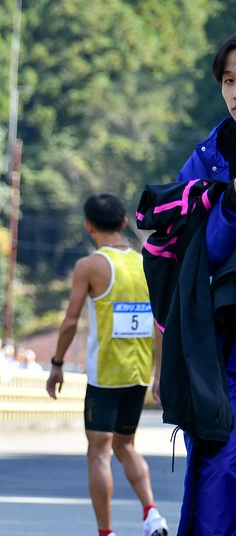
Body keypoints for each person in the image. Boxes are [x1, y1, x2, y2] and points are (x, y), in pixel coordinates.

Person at [145, 33, 236, 536]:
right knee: (219, 466)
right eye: (228, 81)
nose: (235, 92)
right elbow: (190, 256)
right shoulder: (209, 159)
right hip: (216, 349)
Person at [47, 193, 167, 536]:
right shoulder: (145, 263)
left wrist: (56, 364)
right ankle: (152, 513)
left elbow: (70, 322)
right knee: (126, 445)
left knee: (99, 452)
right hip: (139, 371)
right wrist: (158, 373)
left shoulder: (91, 266)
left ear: (89, 226)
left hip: (105, 375)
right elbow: (159, 321)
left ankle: (106, 532)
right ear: (124, 222)